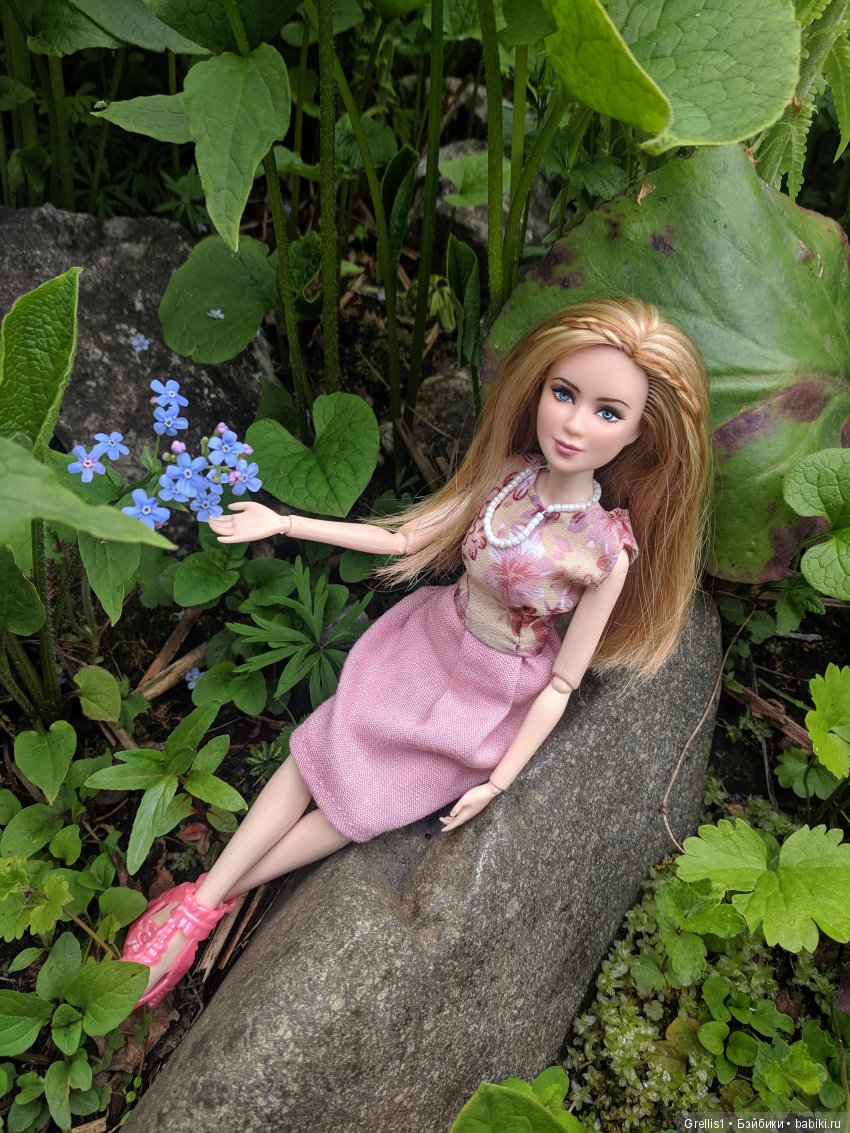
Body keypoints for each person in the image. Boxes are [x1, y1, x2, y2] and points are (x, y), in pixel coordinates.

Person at [122, 296, 710, 1007]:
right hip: (431, 638)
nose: (575, 423)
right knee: (320, 750)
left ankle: (196, 908)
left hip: (488, 690)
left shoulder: (606, 551)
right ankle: (203, 901)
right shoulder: (510, 474)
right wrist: (286, 522)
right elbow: (403, 538)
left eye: (608, 412)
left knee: (358, 803)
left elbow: (561, 683)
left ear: (641, 431)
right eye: (564, 394)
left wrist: (499, 780)